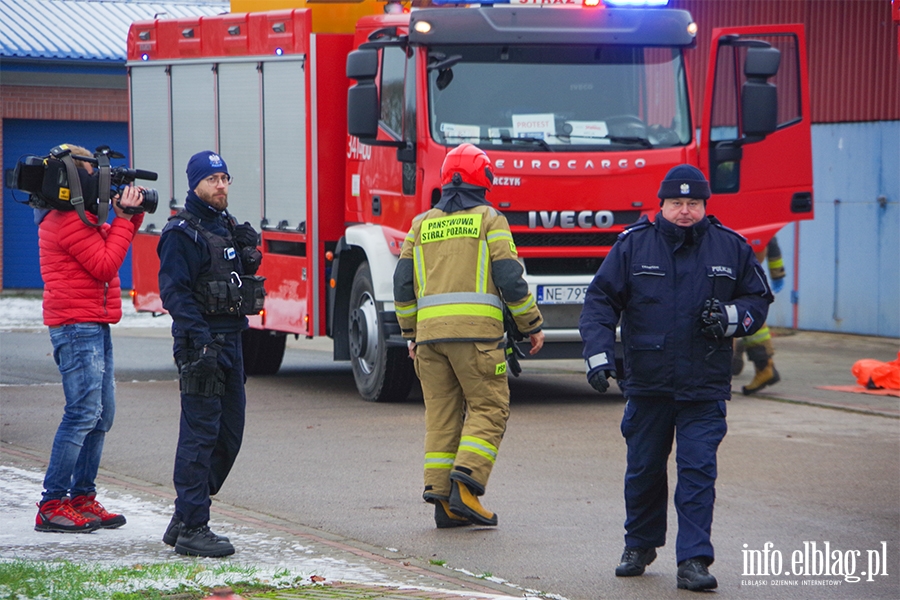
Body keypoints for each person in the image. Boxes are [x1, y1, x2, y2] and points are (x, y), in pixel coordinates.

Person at [579, 165, 772, 591]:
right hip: (648, 384)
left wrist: (729, 318)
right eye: (676, 203)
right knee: (644, 468)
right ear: (660, 205)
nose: (685, 211)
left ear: (705, 206)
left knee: (698, 471)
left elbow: (758, 299)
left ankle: (694, 560)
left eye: (693, 204)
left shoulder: (731, 248)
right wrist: (597, 355)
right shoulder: (633, 246)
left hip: (704, 385)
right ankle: (640, 544)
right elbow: (599, 300)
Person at [393, 143, 545, 528]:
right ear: (485, 179)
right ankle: (467, 486)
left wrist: (411, 332)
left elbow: (402, 283)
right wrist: (531, 325)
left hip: (429, 342)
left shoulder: (420, 224)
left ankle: (442, 502)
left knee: (441, 416)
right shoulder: (490, 220)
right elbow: (510, 279)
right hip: (477, 340)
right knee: (489, 408)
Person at [157, 150, 262, 557]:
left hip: (231, 340)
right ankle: (194, 526)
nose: (221, 185)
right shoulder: (182, 232)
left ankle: (186, 513)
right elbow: (175, 293)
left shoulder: (225, 226)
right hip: (201, 344)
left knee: (229, 435)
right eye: (212, 179)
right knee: (200, 435)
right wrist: (201, 341)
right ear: (195, 185)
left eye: (225, 178)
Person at [34, 143, 144, 533]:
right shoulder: (65, 222)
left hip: (94, 323)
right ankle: (52, 503)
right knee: (82, 413)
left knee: (102, 415)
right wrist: (125, 221)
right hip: (75, 325)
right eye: (94, 172)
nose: (101, 178)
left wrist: (127, 216)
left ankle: (81, 497)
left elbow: (108, 244)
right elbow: (105, 264)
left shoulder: (82, 218)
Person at [733, 236, 785, 394]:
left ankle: (733, 360)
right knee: (746, 309)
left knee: (729, 306)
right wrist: (777, 272)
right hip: (753, 248)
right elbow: (770, 236)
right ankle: (763, 366)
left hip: (730, 253)